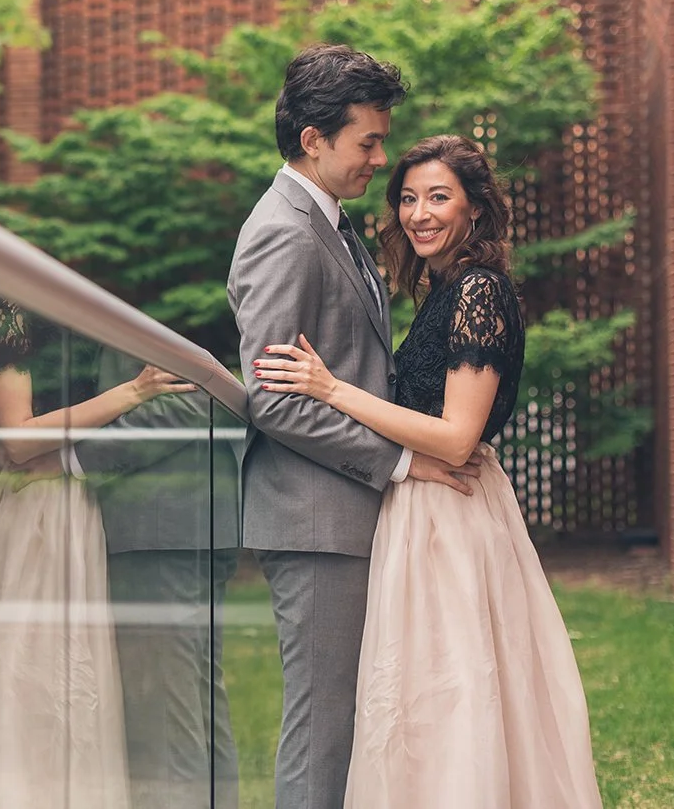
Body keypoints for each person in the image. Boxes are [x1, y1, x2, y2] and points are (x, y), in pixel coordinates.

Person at [254, 134, 603, 808]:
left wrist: (330, 390)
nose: (419, 213)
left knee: (451, 695)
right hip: (421, 512)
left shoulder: (478, 292)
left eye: (438, 197)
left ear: (475, 208)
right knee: (413, 697)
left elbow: (455, 437)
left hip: (454, 517)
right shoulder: (441, 292)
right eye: (407, 198)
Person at [226, 44, 480, 809]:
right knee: (323, 726)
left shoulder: (330, 224)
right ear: (314, 139)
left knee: (356, 718)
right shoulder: (283, 231)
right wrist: (400, 464)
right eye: (367, 142)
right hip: (314, 523)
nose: (379, 157)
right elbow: (271, 398)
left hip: (344, 514)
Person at [0, 292, 196, 809]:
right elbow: (16, 439)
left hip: (78, 503)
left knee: (73, 674)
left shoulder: (71, 302)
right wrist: (133, 393)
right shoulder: (5, 311)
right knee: (24, 670)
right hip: (34, 512)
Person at [69, 345, 241, 809]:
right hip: (185, 524)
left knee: (167, 719)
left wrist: (81, 460)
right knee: (196, 710)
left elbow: (202, 397)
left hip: (163, 528)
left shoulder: (153, 304)